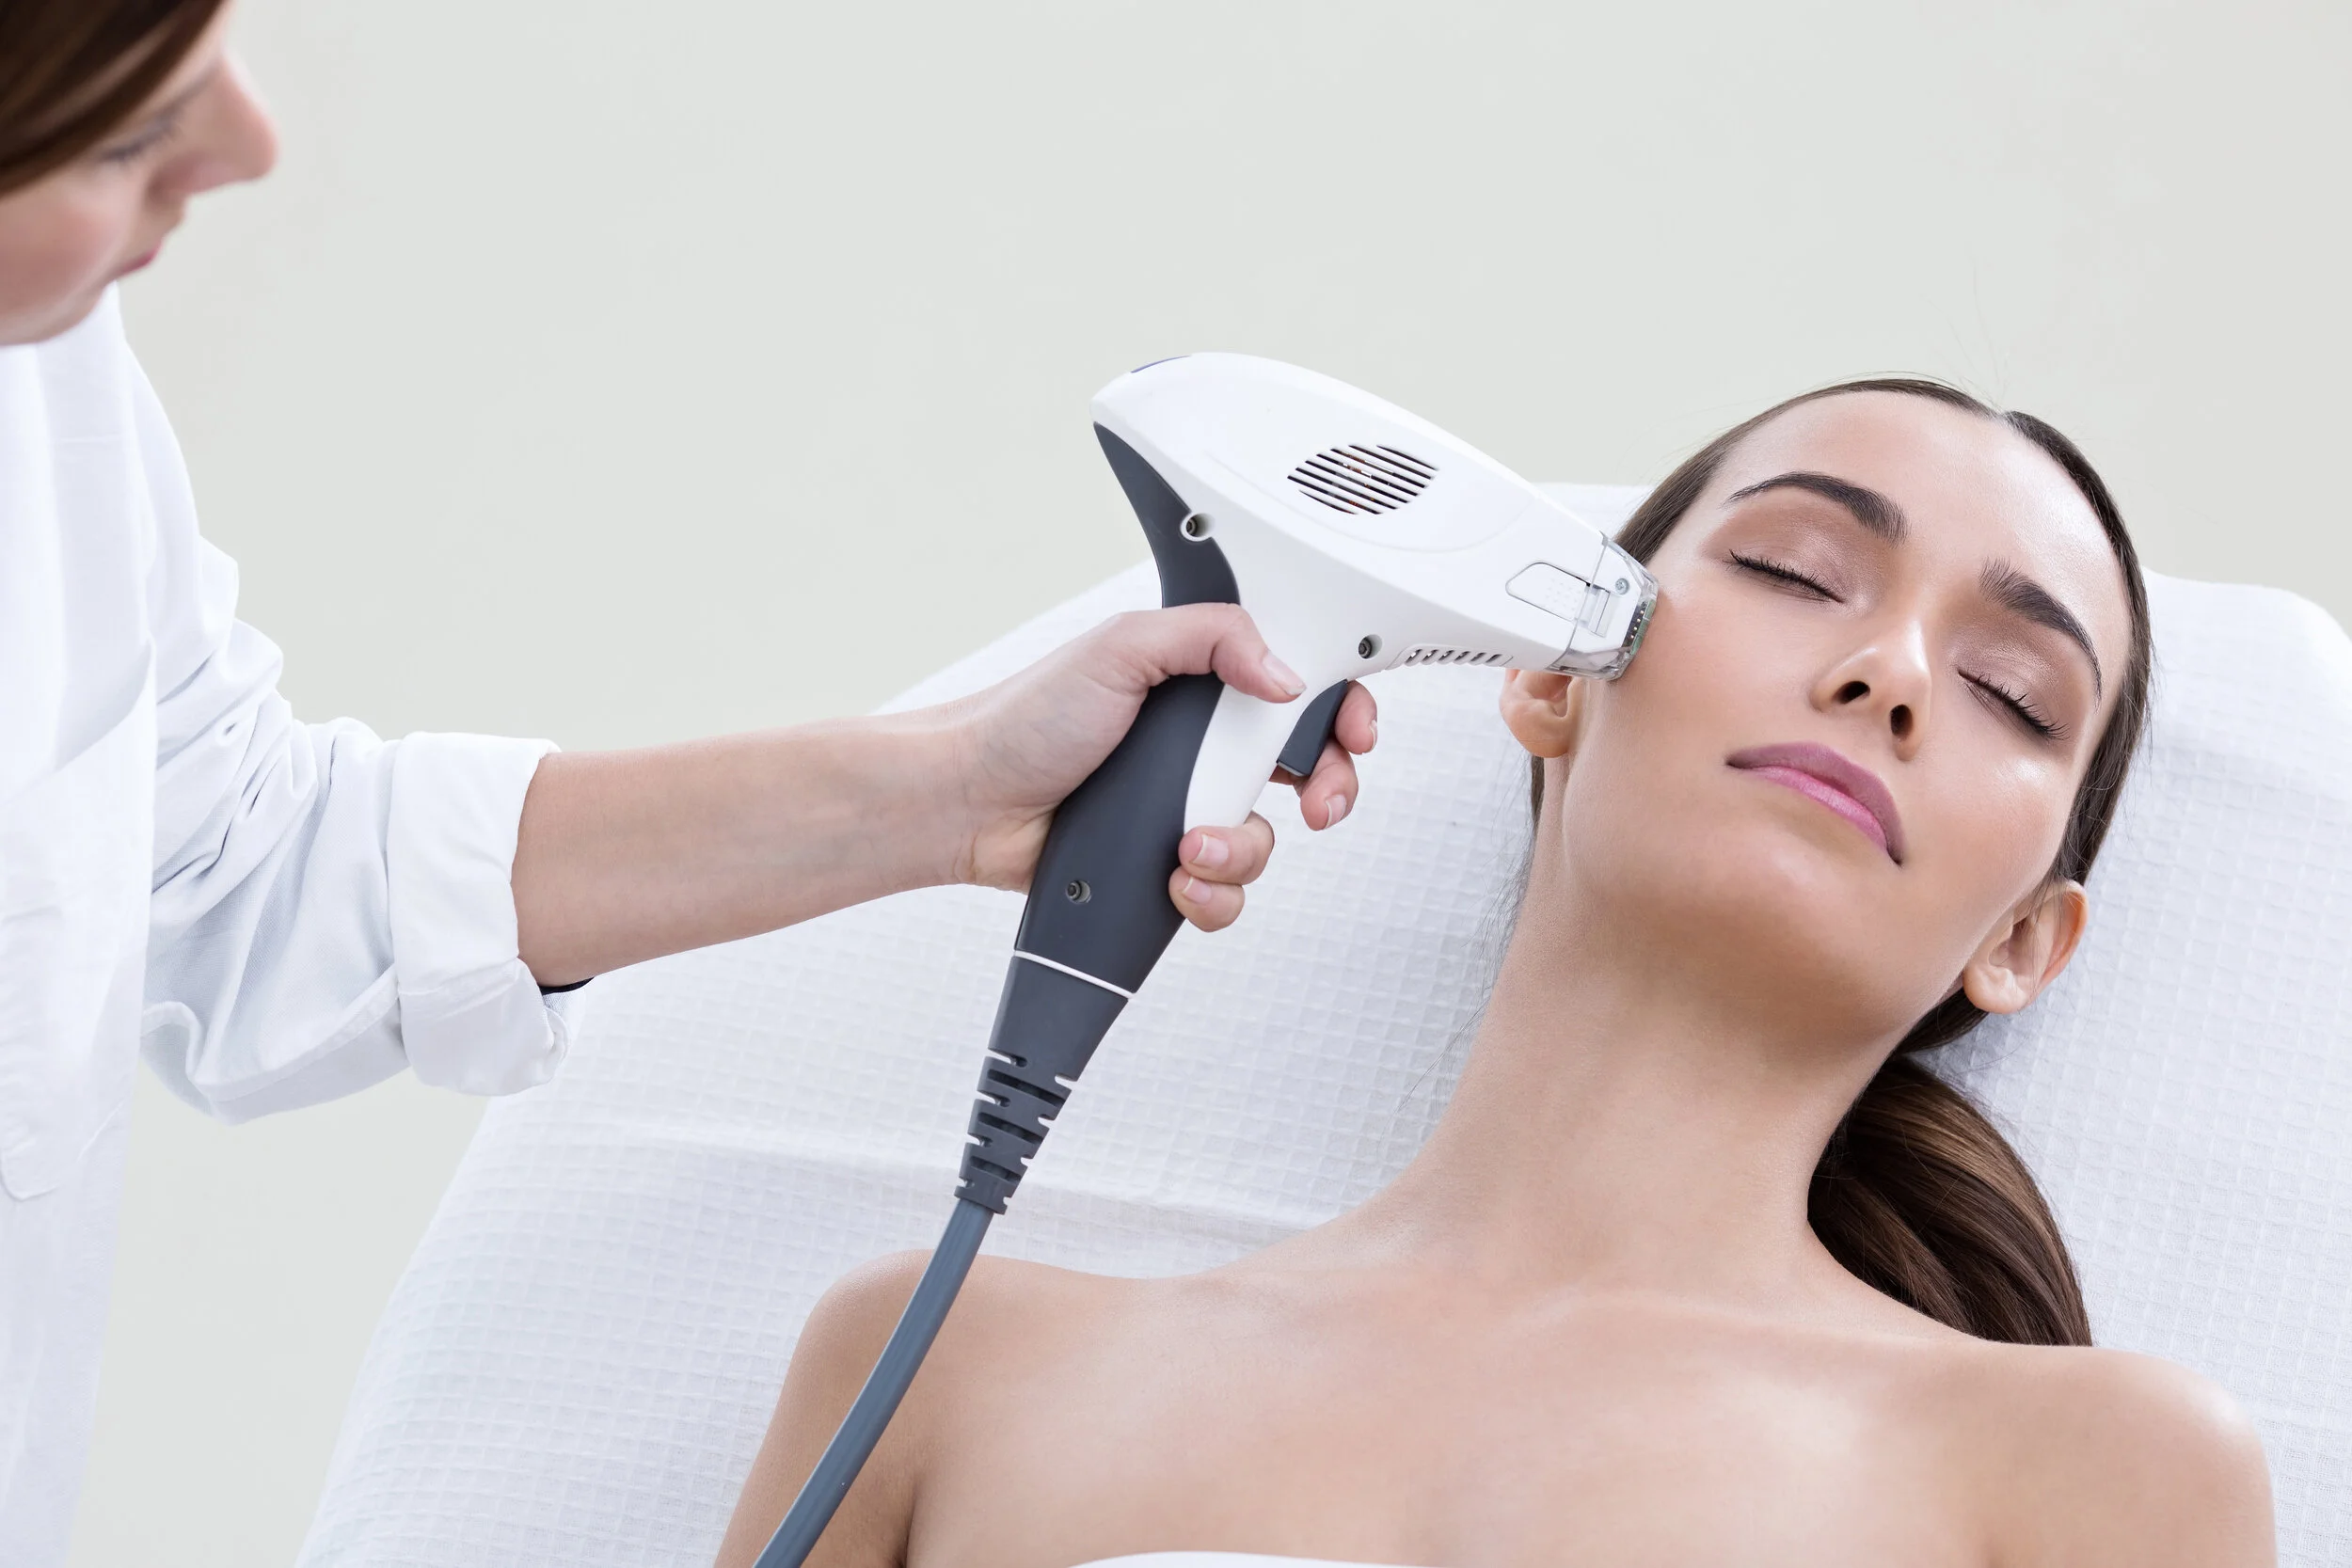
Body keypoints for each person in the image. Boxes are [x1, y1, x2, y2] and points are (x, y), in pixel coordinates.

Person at [0, 2, 1377, 1559]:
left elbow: (235, 859)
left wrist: (956, 787)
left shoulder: (42, 390)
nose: (247, 143)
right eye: (124, 125)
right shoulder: (979, 1375)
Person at [718, 381, 2279, 1568]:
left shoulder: (2105, 1474)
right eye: (1799, 572)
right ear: (1548, 670)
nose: (1893, 673)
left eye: (2013, 690)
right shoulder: (945, 1372)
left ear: (2025, 941)